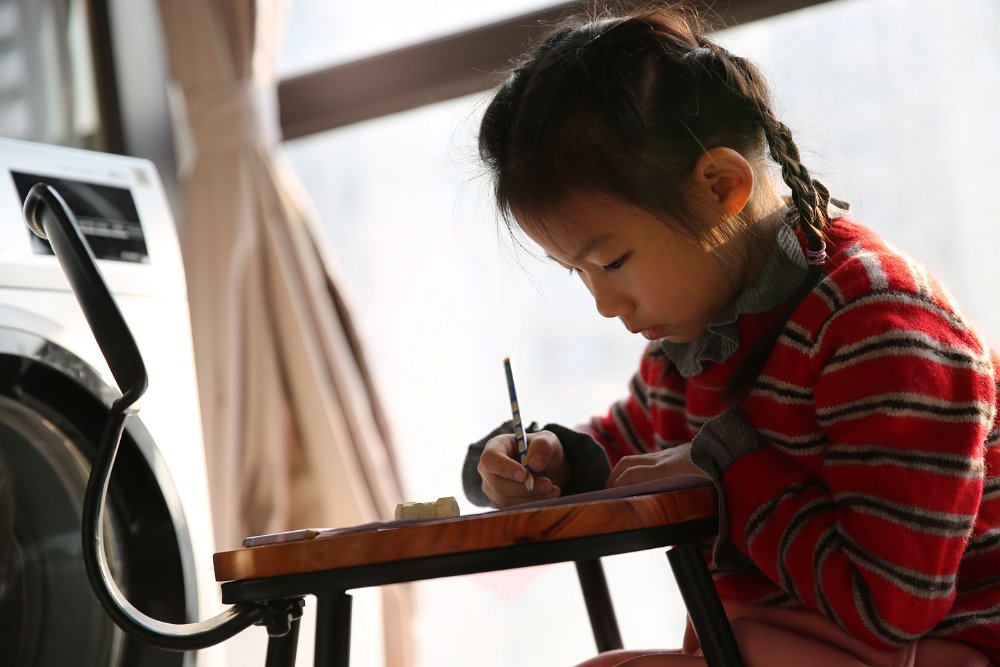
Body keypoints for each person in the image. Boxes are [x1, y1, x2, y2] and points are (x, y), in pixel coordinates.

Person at [461, 3, 1000, 665]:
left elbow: (890, 604)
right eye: (578, 272)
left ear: (722, 187)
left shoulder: (879, 328)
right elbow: (622, 457)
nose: (603, 304)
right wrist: (543, 463)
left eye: (613, 262)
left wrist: (728, 468)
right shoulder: (694, 344)